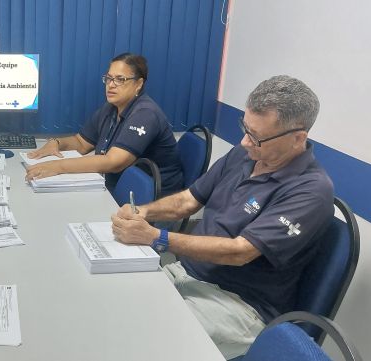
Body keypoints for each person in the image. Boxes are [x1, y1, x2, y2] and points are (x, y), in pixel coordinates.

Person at [111, 75, 332, 359]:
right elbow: (189, 199)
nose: (244, 141)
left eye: (256, 137)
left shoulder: (311, 191)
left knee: (143, 339)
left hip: (238, 305)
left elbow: (240, 252)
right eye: (245, 128)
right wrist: (144, 211)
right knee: (116, 305)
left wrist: (158, 237)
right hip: (187, 274)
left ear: (298, 138)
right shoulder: (245, 153)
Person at [25, 53, 183, 193]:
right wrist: (57, 143)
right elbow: (81, 143)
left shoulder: (145, 114)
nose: (111, 84)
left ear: (139, 84)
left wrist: (57, 167)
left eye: (120, 79)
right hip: (116, 187)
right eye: (109, 78)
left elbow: (113, 162)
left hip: (152, 200)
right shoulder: (111, 108)